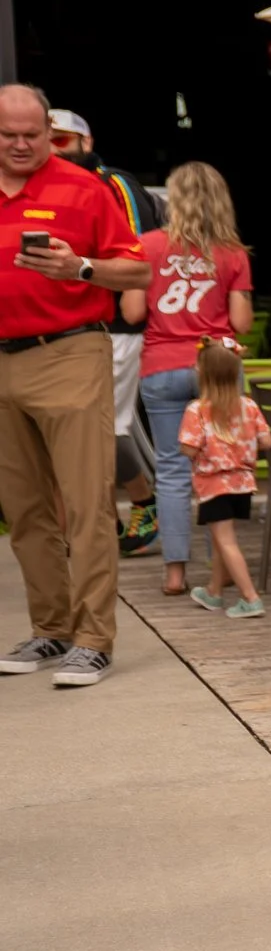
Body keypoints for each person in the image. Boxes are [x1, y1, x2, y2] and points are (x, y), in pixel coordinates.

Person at [0, 82, 151, 687]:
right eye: (7, 135)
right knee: (23, 510)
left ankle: (93, 639)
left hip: (67, 350)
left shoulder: (84, 187)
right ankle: (50, 630)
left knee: (87, 502)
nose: (19, 145)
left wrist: (80, 267)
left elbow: (137, 268)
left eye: (31, 135)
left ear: (49, 131)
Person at [125, 163, 253, 597]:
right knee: (220, 468)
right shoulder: (233, 253)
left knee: (172, 471)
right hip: (216, 369)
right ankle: (224, 566)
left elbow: (132, 314)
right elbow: (241, 321)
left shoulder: (146, 246)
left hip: (161, 367)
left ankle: (176, 573)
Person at [51, 109, 165, 556]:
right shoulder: (52, 188)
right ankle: (114, 515)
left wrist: (134, 309)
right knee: (89, 427)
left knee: (106, 427)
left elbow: (141, 249)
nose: (56, 149)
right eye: (51, 140)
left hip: (115, 322)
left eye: (64, 140)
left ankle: (135, 507)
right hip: (73, 324)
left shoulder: (113, 182)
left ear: (86, 140)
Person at [178, 342, 271, 619]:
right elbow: (267, 440)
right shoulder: (249, 406)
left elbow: (190, 448)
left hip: (213, 484)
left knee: (226, 540)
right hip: (243, 482)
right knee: (221, 539)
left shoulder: (197, 410)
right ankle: (214, 592)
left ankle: (250, 597)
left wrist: (195, 447)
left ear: (204, 374)